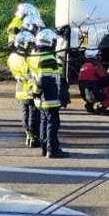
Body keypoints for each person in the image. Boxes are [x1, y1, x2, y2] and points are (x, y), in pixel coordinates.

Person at [30, 28, 68, 158]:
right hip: (50, 97)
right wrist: (37, 92)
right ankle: (52, 150)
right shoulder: (48, 58)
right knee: (52, 123)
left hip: (41, 98)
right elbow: (44, 80)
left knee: (44, 122)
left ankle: (45, 148)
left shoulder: (35, 56)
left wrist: (35, 93)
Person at [8, 30, 40, 148]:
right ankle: (33, 137)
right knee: (33, 115)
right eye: (30, 44)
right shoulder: (28, 58)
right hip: (30, 89)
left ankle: (28, 135)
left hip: (20, 88)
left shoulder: (12, 57)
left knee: (25, 113)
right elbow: (33, 74)